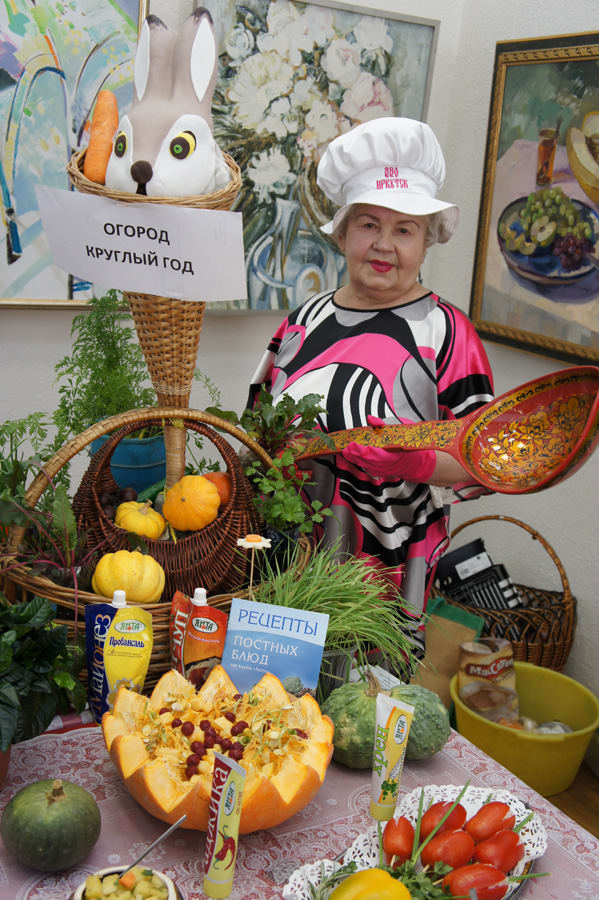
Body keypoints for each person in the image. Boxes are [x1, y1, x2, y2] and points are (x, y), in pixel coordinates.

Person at [247, 117, 494, 659]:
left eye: (405, 229)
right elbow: (257, 436)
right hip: (283, 561)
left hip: (385, 573)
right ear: (341, 233)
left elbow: (486, 458)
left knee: (361, 700)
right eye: (368, 224)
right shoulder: (302, 320)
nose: (384, 244)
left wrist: (415, 462)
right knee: (271, 694)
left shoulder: (446, 332)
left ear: (427, 241)